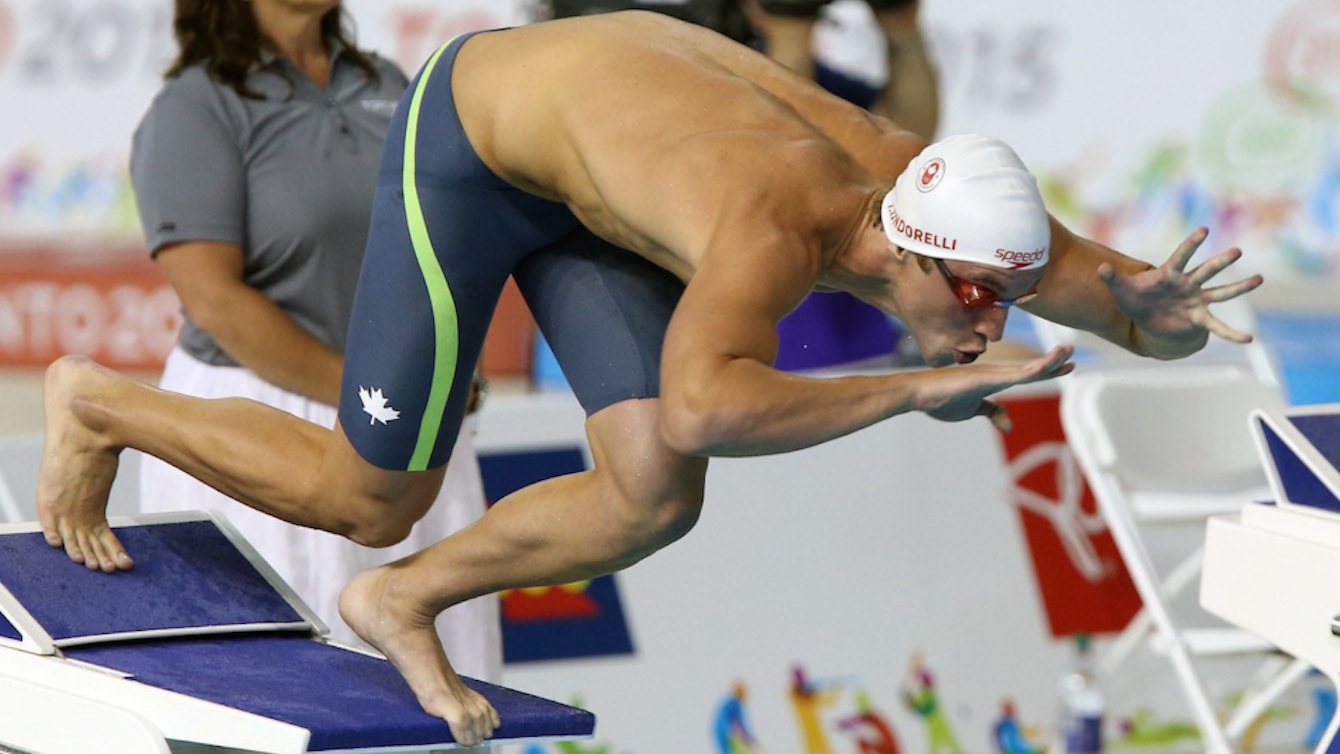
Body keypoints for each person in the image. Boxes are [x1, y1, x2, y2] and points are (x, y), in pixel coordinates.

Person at [39, 11, 1261, 748]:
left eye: (1007, 291)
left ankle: (397, 602)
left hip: (603, 152)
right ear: (904, 246)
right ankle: (101, 400)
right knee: (370, 496)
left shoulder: (944, 208)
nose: (989, 316)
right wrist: (904, 388)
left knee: (651, 495)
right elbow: (707, 401)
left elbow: (1137, 314)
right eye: (977, 296)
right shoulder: (770, 228)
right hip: (474, 134)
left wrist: (1154, 317)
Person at [127, 0, 500, 682]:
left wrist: (441, 370)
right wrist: (381, 396)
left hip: (403, 417)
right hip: (265, 418)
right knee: (285, 687)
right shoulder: (197, 106)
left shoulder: (387, 81)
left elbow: (442, 238)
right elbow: (215, 301)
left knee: (446, 689)